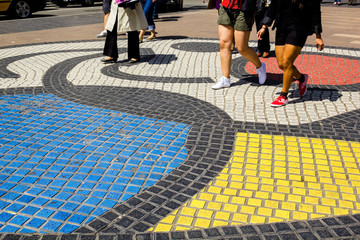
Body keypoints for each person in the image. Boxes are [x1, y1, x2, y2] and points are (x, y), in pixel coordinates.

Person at [257, 0, 324, 107]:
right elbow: (273, 7)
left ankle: (283, 96)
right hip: (282, 27)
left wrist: (318, 37)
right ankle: (301, 78)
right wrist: (264, 26)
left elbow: (316, 13)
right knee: (281, 64)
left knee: (287, 62)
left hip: (299, 29)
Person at [207, 0, 267, 90]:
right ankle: (225, 78)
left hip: (243, 9)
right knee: (224, 43)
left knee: (242, 47)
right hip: (225, 6)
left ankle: (260, 66)